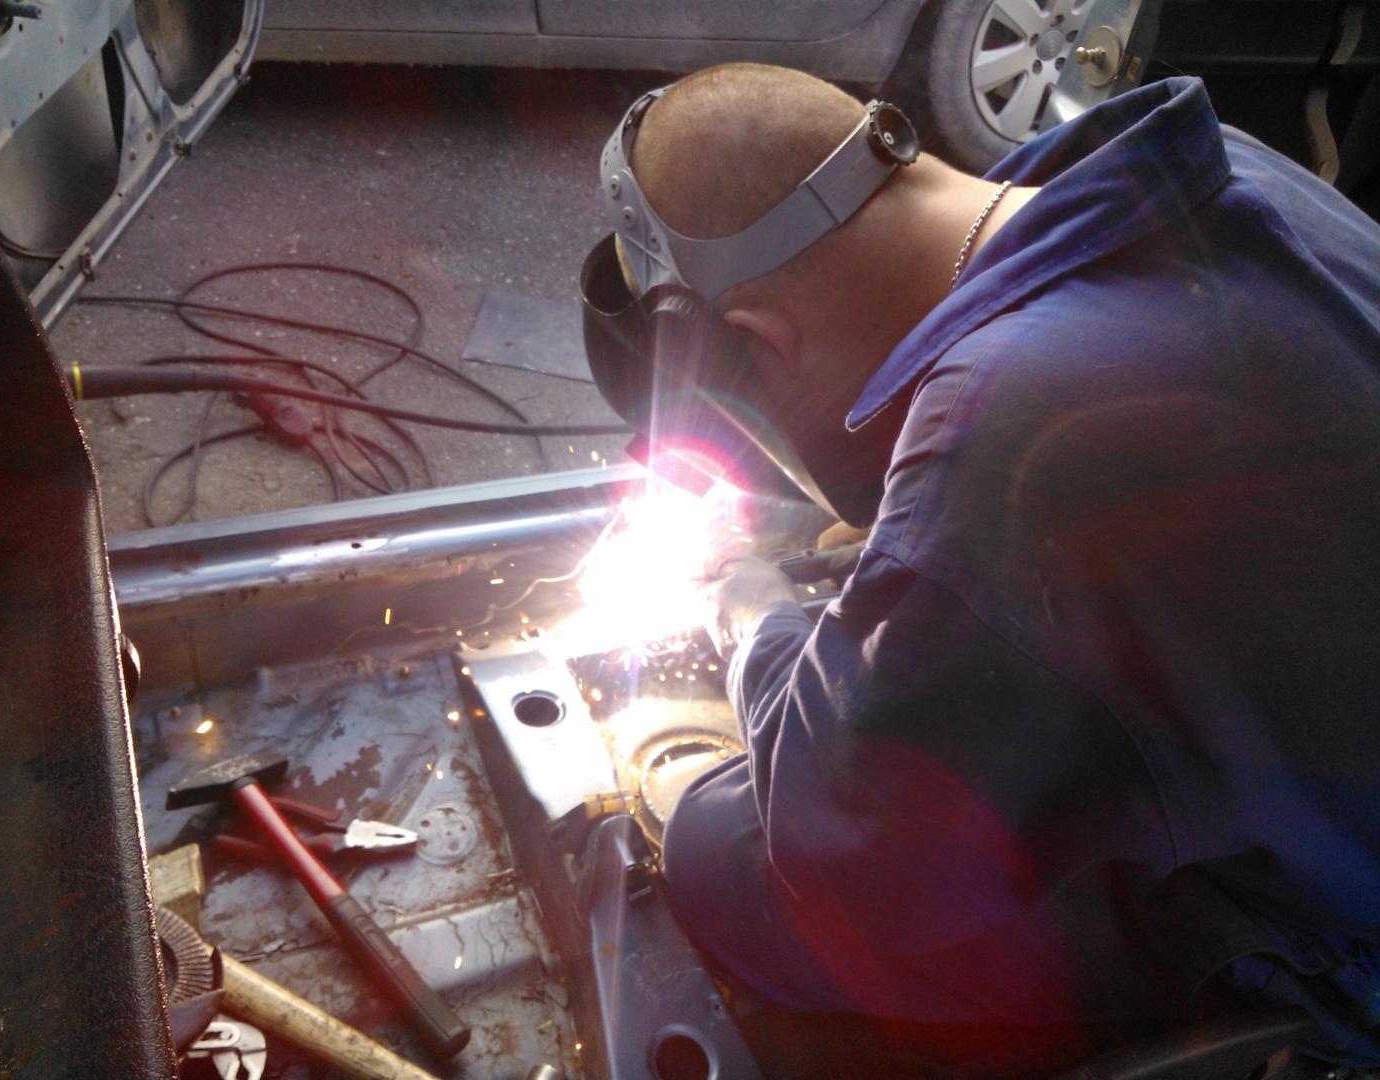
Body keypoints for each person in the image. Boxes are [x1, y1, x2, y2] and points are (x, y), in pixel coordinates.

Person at [581, 63, 1380, 1075]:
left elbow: (840, 864)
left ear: (760, 344)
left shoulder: (1019, 429)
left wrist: (754, 611)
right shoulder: (1211, 174)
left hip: (1345, 936)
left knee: (738, 863)